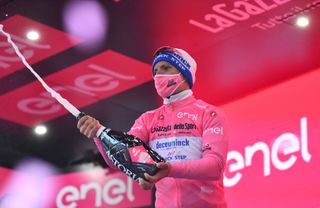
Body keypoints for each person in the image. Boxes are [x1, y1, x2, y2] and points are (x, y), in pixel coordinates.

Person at [78, 46, 228, 208]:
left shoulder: (209, 113)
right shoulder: (147, 119)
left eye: (165, 68)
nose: (158, 75)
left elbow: (214, 166)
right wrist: (99, 134)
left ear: (184, 73)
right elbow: (121, 158)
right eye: (155, 71)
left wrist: (169, 169)